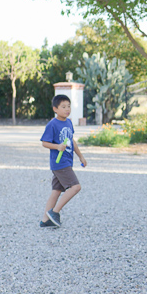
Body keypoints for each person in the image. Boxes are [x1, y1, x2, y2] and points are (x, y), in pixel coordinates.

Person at [39, 95, 88, 228]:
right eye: (63, 107)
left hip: (67, 161)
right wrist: (57, 146)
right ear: (55, 109)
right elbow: (45, 142)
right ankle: (54, 212)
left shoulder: (68, 122)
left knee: (56, 191)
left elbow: (71, 141)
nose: (67, 109)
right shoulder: (52, 124)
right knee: (75, 187)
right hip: (59, 163)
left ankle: (45, 220)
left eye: (69, 106)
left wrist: (80, 156)